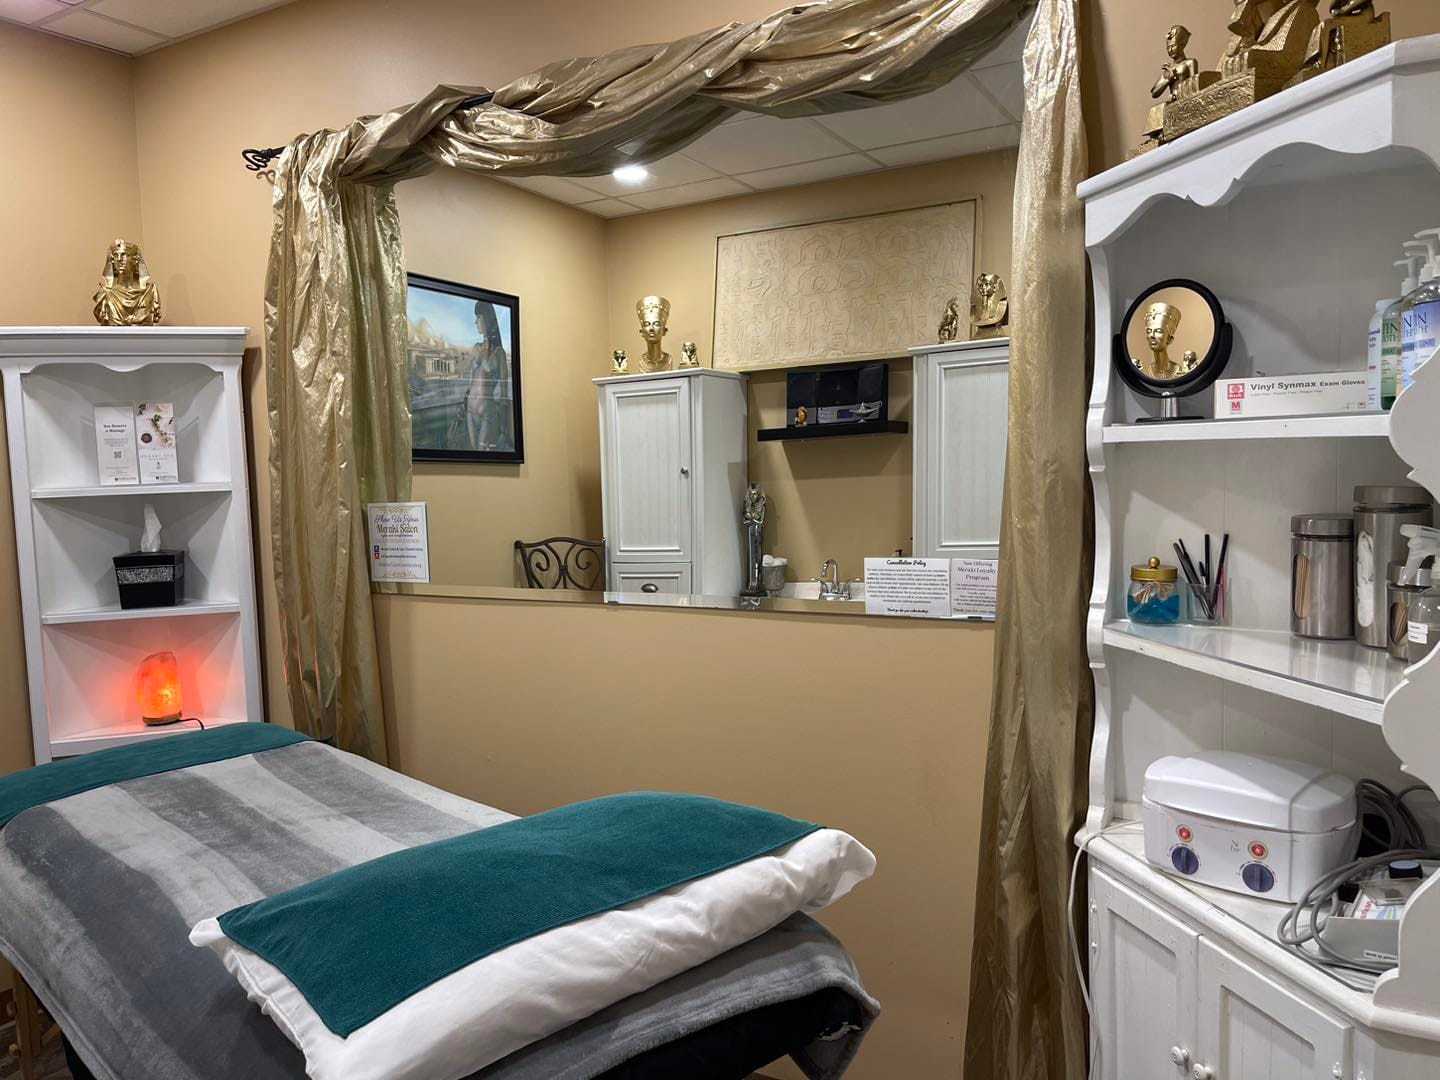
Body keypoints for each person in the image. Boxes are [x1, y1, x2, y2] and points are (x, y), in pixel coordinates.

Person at [461, 301, 512, 451]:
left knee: (481, 453)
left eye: (478, 317)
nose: (475, 322)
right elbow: (468, 378)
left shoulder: (499, 353)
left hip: (486, 412)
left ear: (487, 319)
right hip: (470, 410)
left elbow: (504, 391)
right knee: (472, 455)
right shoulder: (476, 347)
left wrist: (503, 422)